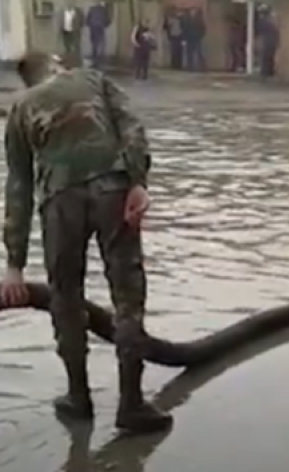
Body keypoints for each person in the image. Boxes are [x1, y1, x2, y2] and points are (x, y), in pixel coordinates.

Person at [0, 51, 172, 434]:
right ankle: (132, 403)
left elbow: (18, 187)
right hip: (114, 187)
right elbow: (131, 127)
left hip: (59, 199)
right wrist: (138, 181)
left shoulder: (21, 109)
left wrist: (14, 265)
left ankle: (79, 399)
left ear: (27, 80)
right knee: (127, 297)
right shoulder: (92, 79)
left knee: (65, 297)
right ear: (58, 64)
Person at [85, 1, 111, 68]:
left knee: (94, 46)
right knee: (100, 45)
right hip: (100, 28)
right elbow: (108, 20)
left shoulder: (92, 9)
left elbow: (87, 19)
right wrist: (104, 25)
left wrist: (90, 24)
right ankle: (99, 62)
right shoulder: (104, 10)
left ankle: (95, 63)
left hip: (93, 28)